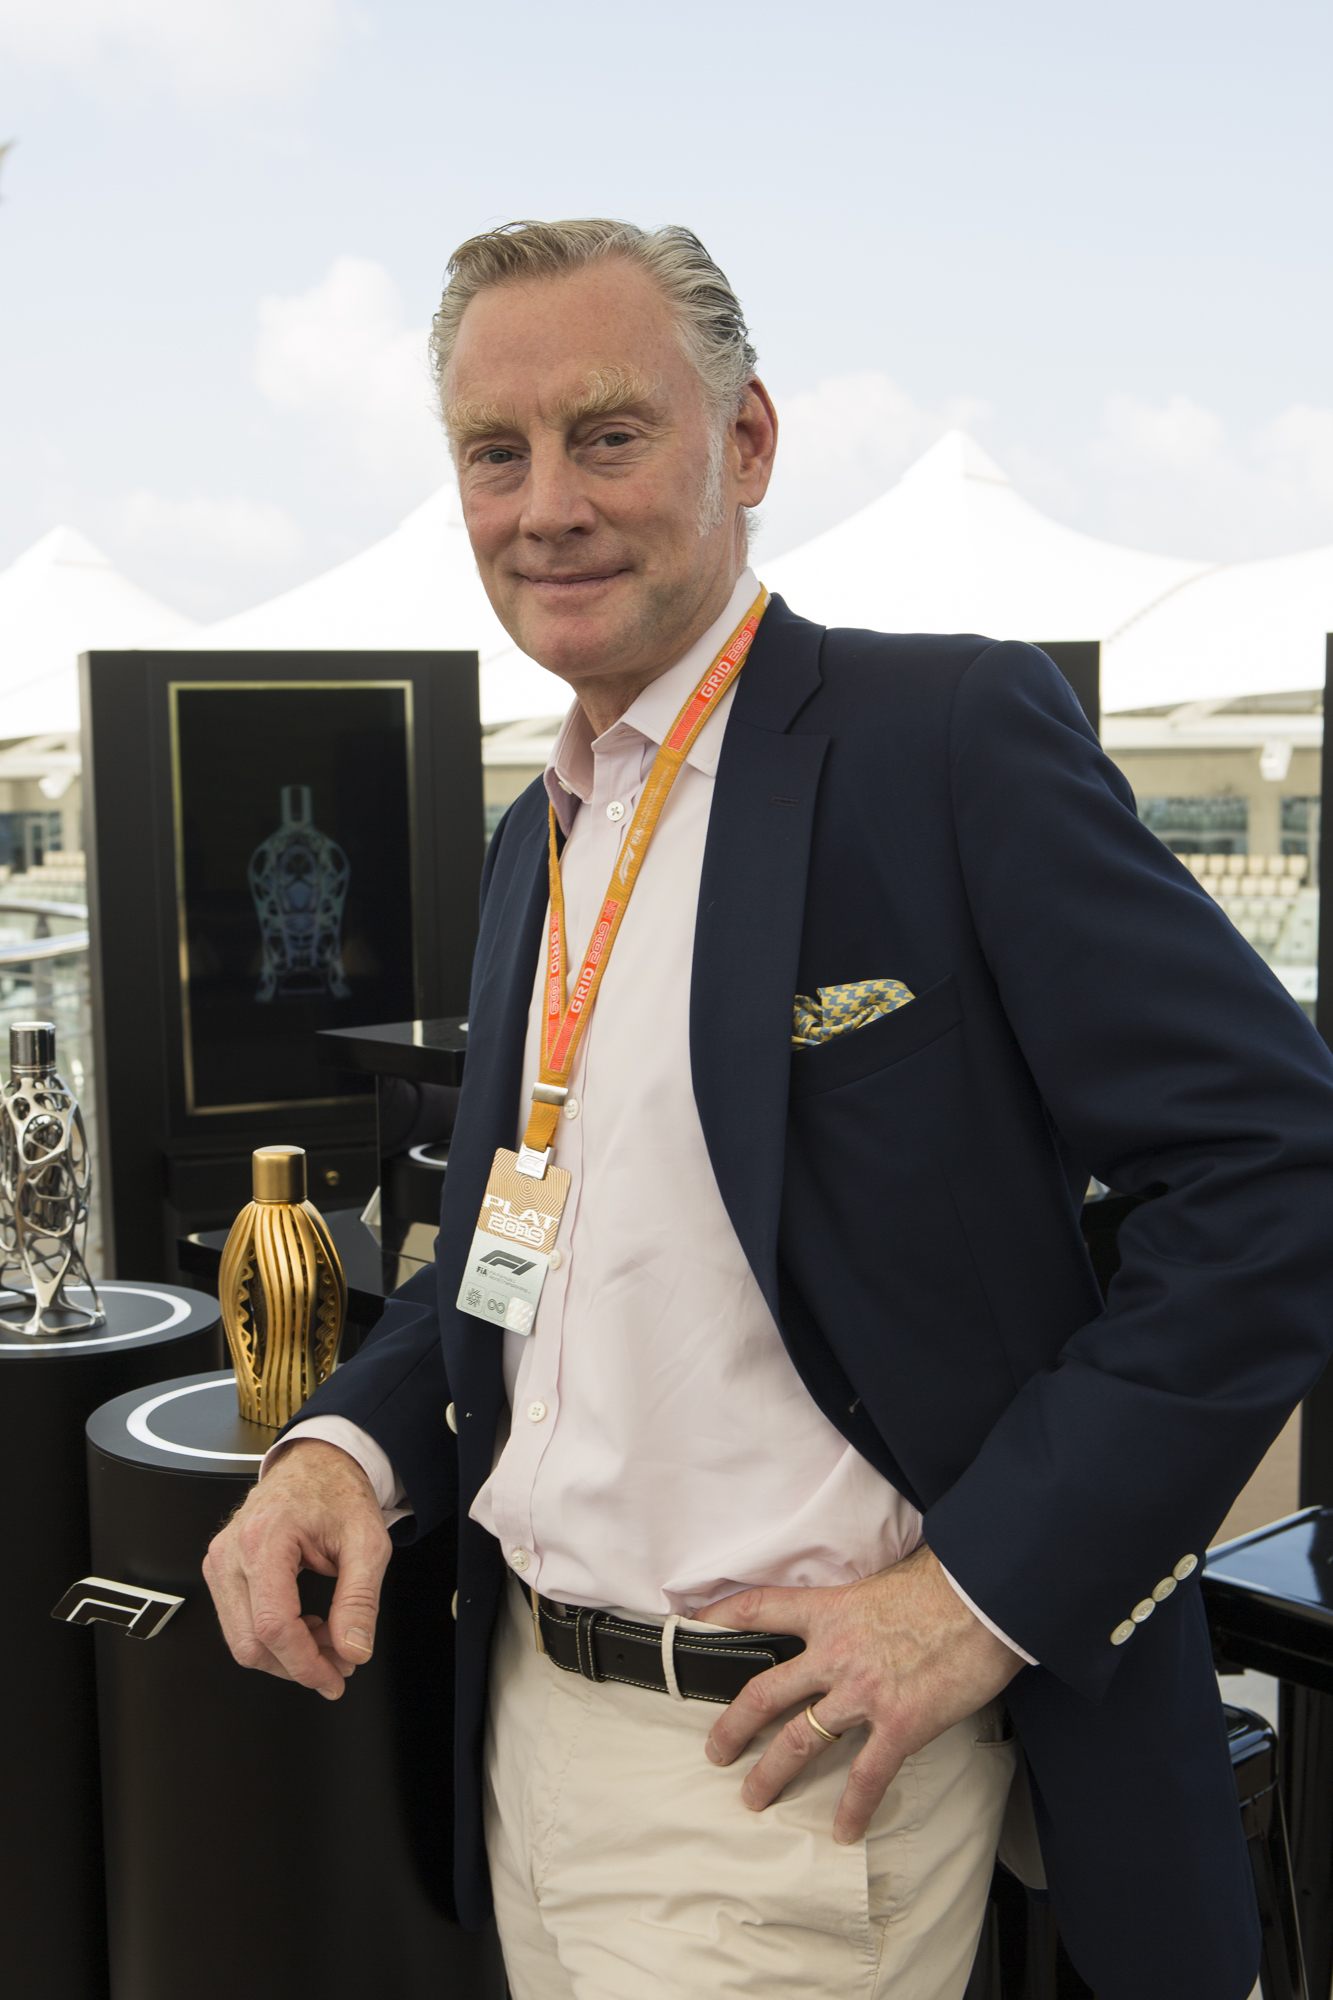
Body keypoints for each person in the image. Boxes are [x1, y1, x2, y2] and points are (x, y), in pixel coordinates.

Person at [203, 219, 1333, 2000]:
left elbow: (1278, 1173)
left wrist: (972, 1599)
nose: (545, 506)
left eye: (607, 434)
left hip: (785, 1784)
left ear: (744, 443)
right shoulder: (535, 839)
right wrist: (346, 1447)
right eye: (494, 454)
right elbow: (512, 1256)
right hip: (523, 1732)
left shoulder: (938, 737)